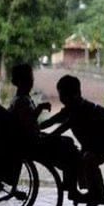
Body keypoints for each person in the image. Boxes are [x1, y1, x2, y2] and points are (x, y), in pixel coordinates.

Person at [39, 75, 104, 206]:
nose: (61, 99)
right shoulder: (74, 107)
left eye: (63, 95)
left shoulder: (80, 109)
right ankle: (92, 190)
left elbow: (63, 126)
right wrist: (37, 127)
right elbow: (54, 120)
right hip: (100, 141)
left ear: (75, 95)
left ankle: (98, 193)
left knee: (87, 159)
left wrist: (47, 137)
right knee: (82, 157)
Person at [8, 64, 79, 195]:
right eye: (27, 79)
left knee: (67, 142)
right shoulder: (21, 101)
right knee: (68, 146)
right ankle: (71, 185)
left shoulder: (22, 99)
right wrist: (40, 110)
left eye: (30, 78)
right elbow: (29, 123)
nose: (30, 82)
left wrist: (41, 120)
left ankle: (70, 182)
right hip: (31, 143)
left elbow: (33, 122)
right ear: (18, 82)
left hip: (30, 139)